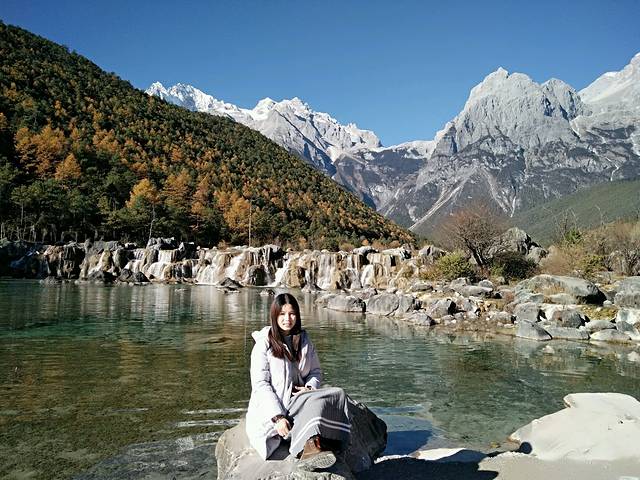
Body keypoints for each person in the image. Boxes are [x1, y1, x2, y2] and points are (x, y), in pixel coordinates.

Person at [245, 293, 350, 471]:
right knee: (315, 405)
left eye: (292, 314)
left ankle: (325, 440)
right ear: (274, 315)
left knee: (338, 394)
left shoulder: (304, 340)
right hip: (278, 405)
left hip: (300, 398)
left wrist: (309, 387)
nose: (287, 319)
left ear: (298, 315)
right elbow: (261, 385)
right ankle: (308, 447)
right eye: (282, 314)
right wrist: (277, 417)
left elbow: (316, 372)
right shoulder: (263, 344)